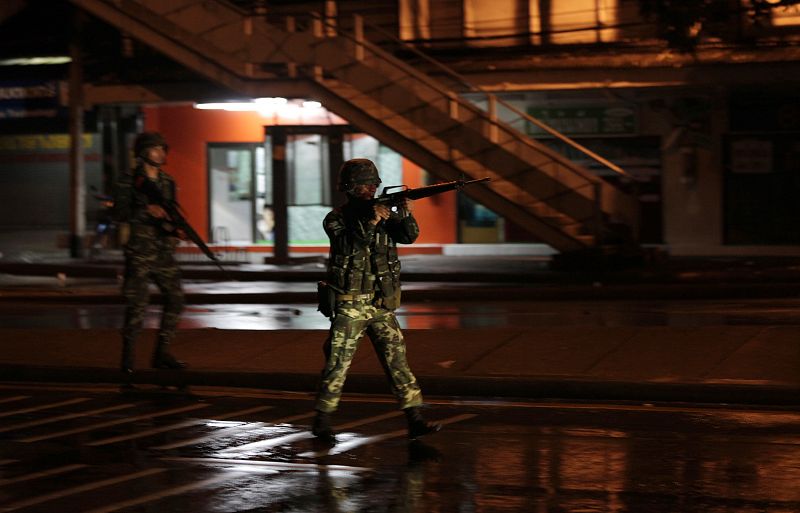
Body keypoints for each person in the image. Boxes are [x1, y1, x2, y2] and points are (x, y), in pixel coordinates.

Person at [312, 158, 441, 442]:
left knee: (397, 361)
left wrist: (403, 213)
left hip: (381, 304)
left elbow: (409, 236)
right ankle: (322, 421)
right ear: (350, 187)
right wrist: (372, 220)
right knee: (338, 363)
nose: (371, 189)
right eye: (365, 185)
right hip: (350, 303)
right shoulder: (337, 218)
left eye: (373, 184)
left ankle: (415, 419)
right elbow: (349, 246)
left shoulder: (383, 214)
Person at [113, 131, 186, 379]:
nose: (161, 153)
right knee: (137, 306)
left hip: (163, 251)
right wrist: (146, 211)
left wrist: (175, 231)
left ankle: (162, 353)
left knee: (176, 298)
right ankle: (128, 360)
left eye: (163, 148)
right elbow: (121, 213)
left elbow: (171, 213)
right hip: (141, 252)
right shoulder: (128, 181)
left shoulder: (167, 181)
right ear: (143, 152)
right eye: (156, 148)